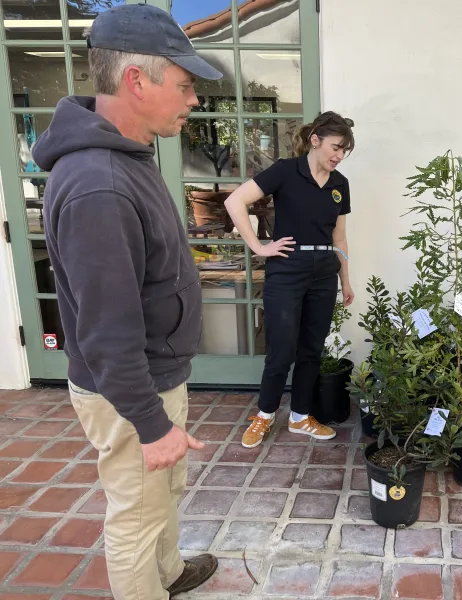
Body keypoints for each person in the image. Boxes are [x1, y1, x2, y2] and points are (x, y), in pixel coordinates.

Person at [32, 5, 222, 599]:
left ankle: (167, 575)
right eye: (185, 84)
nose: (193, 100)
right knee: (136, 514)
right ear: (138, 80)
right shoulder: (99, 183)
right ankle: (149, 582)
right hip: (128, 388)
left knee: (159, 494)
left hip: (153, 375)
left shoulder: (126, 157)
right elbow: (107, 330)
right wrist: (149, 422)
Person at [225, 112, 355, 448]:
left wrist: (346, 280)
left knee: (312, 348)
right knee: (281, 348)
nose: (339, 155)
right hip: (287, 268)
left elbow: (339, 238)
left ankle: (300, 416)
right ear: (315, 140)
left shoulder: (340, 184)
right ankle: (265, 415)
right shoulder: (286, 170)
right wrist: (258, 247)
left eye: (345, 151)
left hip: (324, 269)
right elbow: (234, 200)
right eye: (336, 147)